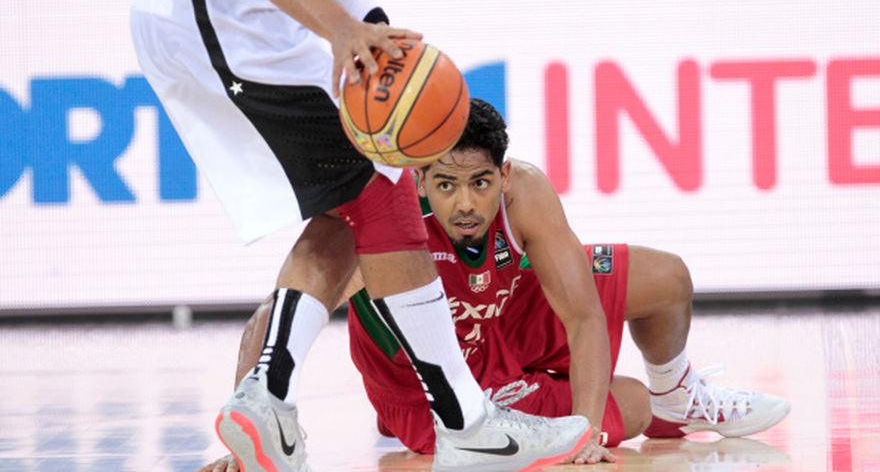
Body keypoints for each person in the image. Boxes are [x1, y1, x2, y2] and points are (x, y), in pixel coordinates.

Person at [130, 0, 590, 471]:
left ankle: (272, 392)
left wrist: (373, 30)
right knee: (383, 183)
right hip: (225, 18)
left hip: (218, 20)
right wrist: (341, 29)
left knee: (360, 199)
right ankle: (466, 424)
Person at [201, 98, 791, 471]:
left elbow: (583, 313)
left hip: (503, 316)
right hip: (435, 389)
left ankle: (678, 391)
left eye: (480, 184)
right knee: (630, 404)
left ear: (503, 175)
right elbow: (270, 317)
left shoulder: (525, 192)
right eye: (446, 185)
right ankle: (651, 408)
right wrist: (244, 443)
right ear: (419, 179)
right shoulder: (386, 224)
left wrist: (584, 434)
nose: (465, 203)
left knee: (667, 277)